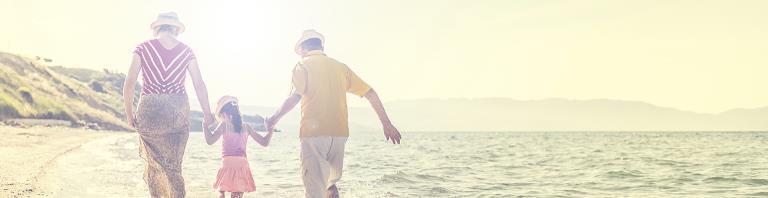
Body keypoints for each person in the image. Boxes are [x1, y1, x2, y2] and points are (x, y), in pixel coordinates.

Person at [265, 30, 402, 198]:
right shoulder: (340, 67)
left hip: (314, 135)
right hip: (339, 135)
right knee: (329, 185)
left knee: (314, 191)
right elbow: (370, 93)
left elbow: (294, 97)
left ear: (302, 48)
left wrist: (273, 119)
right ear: (321, 46)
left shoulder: (302, 65)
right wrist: (386, 124)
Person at [122, 12, 214, 198]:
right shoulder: (186, 51)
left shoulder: (142, 48)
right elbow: (199, 84)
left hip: (149, 108)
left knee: (154, 165)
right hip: (176, 109)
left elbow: (129, 83)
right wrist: (208, 113)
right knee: (173, 165)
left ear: (158, 27)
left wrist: (129, 114)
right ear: (176, 28)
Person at [204, 96, 273, 198]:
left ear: (224, 114)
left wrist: (204, 126)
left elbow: (210, 140)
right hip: (242, 165)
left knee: (221, 190)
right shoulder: (246, 127)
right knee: (236, 195)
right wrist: (270, 129)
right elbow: (264, 142)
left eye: (221, 115)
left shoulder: (224, 125)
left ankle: (221, 195)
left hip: (227, 163)